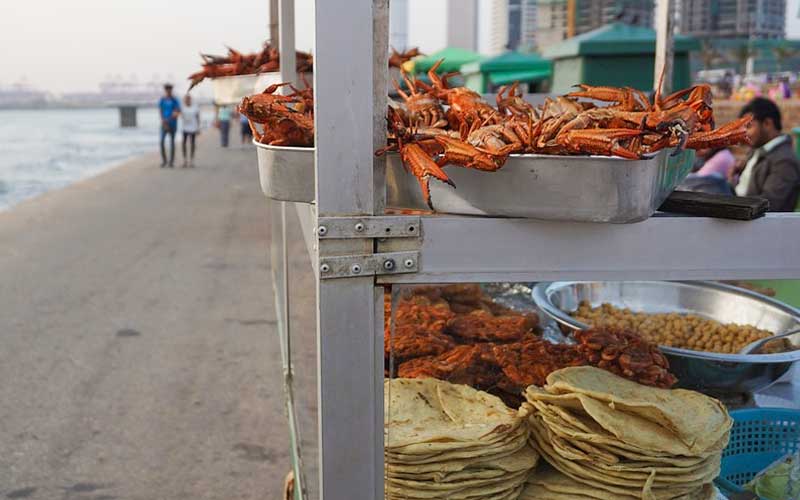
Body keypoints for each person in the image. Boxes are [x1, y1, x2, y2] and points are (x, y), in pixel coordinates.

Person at [729, 97, 800, 211]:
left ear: (767, 123)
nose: (744, 133)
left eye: (749, 126)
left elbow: (769, 204)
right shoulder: (758, 150)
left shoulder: (784, 161)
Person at [158, 83, 181, 167]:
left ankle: (171, 161)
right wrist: (163, 119)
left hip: (172, 124)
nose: (168, 91)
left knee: (172, 142)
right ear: (165, 90)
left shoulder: (175, 100)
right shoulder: (162, 99)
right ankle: (164, 161)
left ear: (171, 90)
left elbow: (177, 111)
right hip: (164, 124)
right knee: (161, 142)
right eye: (167, 90)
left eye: (169, 89)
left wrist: (170, 118)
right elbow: (160, 110)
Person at [180, 94, 200, 167]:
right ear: (184, 100)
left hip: (193, 127)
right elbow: (178, 114)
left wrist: (198, 128)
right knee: (184, 144)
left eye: (188, 99)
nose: (187, 100)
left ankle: (192, 160)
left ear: (190, 99)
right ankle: (184, 160)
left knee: (192, 144)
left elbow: (198, 117)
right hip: (184, 127)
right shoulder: (182, 107)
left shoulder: (195, 107)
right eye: (185, 99)